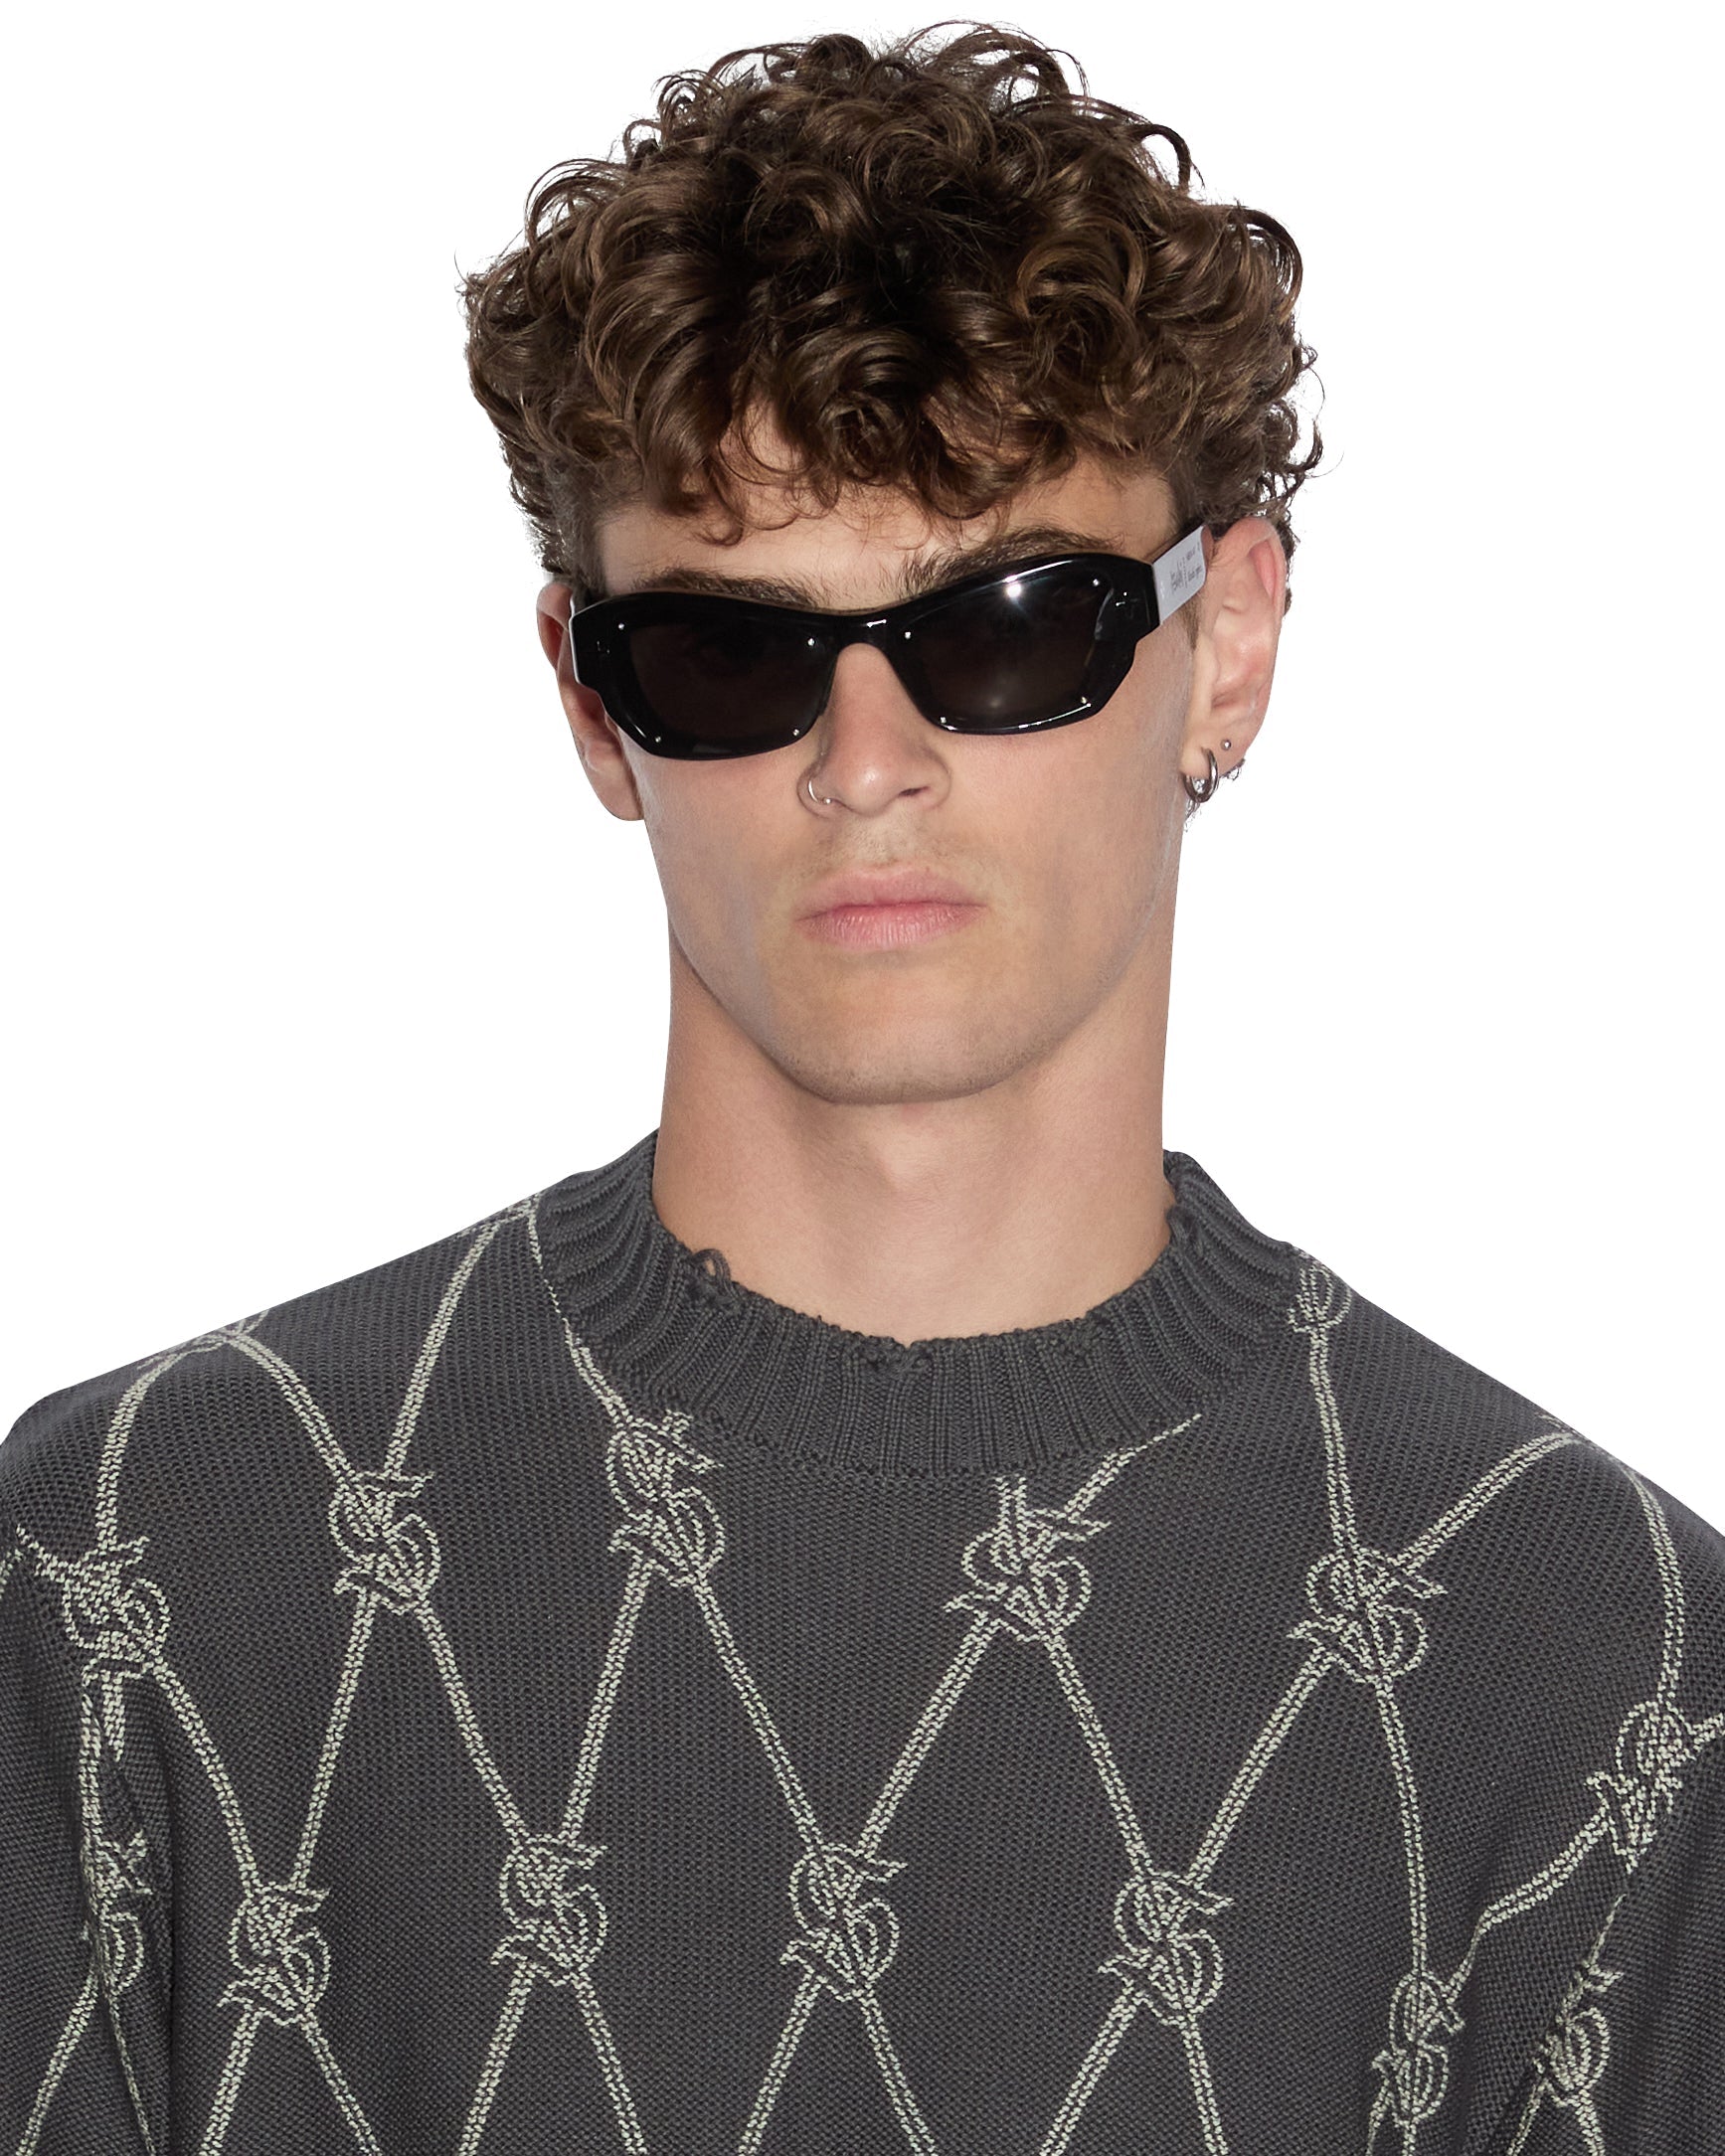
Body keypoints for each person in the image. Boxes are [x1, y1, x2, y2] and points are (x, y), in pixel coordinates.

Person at [2, 22, 1720, 2154]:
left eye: (1009, 626)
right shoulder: (144, 1566)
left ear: (1232, 637)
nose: (868, 758)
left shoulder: (1591, 1656)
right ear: (594, 702)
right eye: (732, 650)